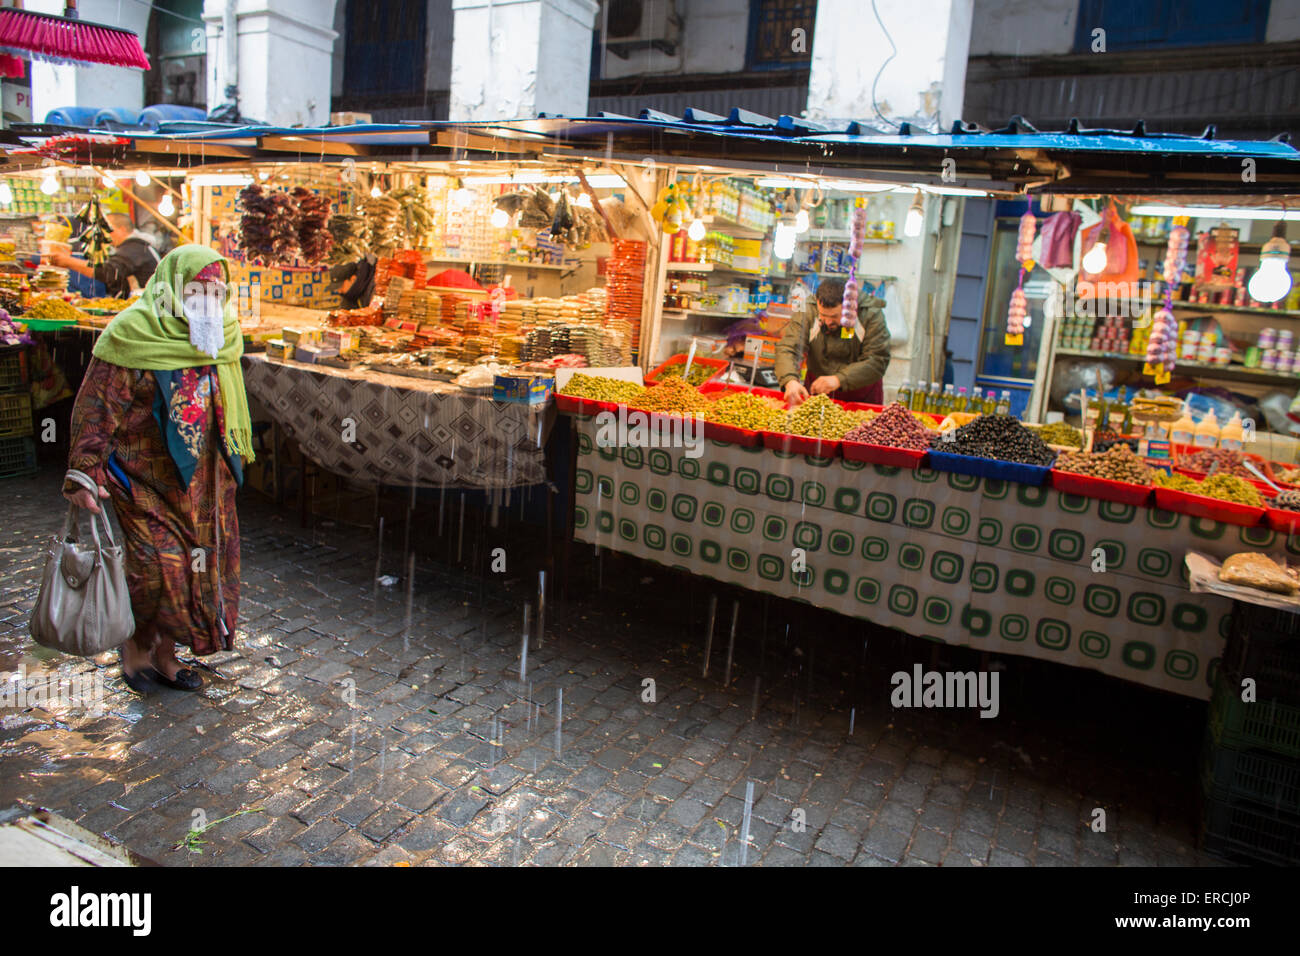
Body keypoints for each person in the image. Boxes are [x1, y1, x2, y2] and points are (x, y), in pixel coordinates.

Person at [62, 245, 255, 695]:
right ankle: (135, 647)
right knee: (154, 567)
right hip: (143, 478)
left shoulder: (222, 334)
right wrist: (84, 471)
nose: (207, 297)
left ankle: (166, 655)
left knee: (194, 568)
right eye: (197, 288)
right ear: (172, 285)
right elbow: (95, 407)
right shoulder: (133, 332)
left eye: (216, 289)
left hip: (205, 482)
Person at [775, 277, 891, 406]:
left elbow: (877, 359)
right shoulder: (808, 310)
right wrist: (789, 380)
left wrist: (839, 379)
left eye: (835, 316)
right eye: (823, 315)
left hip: (861, 392)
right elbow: (787, 348)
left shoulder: (870, 314)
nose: (828, 322)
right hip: (817, 389)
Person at [49, 213, 161, 298]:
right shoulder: (138, 247)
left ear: (121, 229)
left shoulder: (135, 249)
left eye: (106, 229)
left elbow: (108, 272)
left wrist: (68, 262)